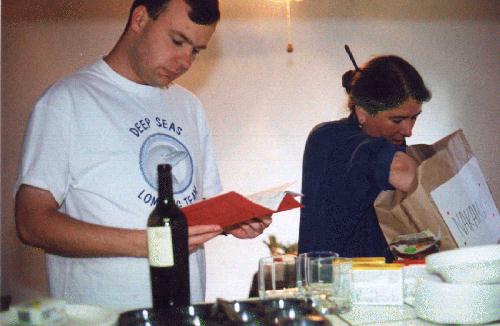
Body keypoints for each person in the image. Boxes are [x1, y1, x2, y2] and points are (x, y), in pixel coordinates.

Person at [14, 0, 271, 310]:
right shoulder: (67, 100)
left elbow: (196, 205)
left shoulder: (189, 107)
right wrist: (149, 243)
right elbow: (31, 222)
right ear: (139, 19)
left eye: (196, 51)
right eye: (178, 41)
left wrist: (232, 220)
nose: (185, 61)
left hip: (182, 312)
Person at [298, 50, 431, 262]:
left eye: (414, 118)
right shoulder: (330, 139)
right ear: (362, 112)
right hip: (332, 285)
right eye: (397, 120)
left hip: (378, 279)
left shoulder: (389, 143)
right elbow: (400, 170)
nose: (408, 130)